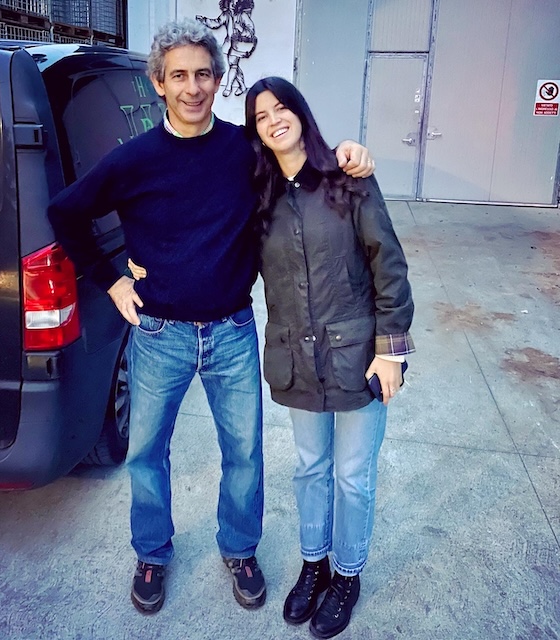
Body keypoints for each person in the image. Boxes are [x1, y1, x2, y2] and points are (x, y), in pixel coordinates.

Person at [47, 19, 373, 616]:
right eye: (179, 76)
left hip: (232, 331)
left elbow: (301, 159)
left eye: (203, 74)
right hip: (159, 335)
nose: (192, 87)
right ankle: (151, 553)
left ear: (219, 80)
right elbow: (66, 212)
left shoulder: (244, 151)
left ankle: (240, 549)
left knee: (244, 454)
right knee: (147, 454)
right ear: (158, 82)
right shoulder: (134, 160)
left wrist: (348, 153)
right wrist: (112, 279)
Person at [244, 77, 414, 639]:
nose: (274, 120)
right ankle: (313, 564)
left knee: (352, 476)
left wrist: (391, 353)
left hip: (356, 357)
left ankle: (346, 575)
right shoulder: (260, 198)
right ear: (256, 132)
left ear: (300, 113)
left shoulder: (348, 178)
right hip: (295, 357)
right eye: (261, 116)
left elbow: (389, 264)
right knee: (310, 468)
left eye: (281, 108)